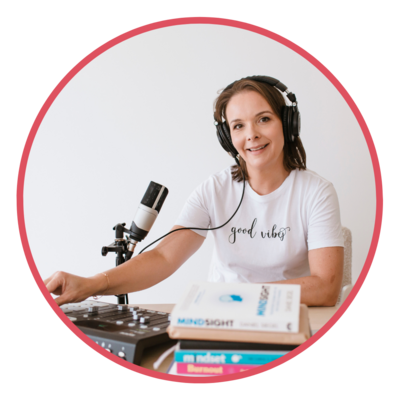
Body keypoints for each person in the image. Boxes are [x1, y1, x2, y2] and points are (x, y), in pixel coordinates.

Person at [45, 76, 344, 307]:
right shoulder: (215, 189)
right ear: (228, 137)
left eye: (263, 119)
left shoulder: (316, 192)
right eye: (238, 125)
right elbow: (163, 257)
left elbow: (326, 286)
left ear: (288, 123)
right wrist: (90, 284)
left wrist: (239, 296)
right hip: (222, 316)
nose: (251, 134)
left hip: (283, 315)